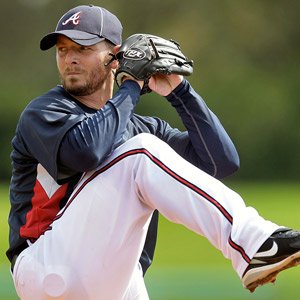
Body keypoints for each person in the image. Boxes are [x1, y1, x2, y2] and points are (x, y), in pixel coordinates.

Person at [7, 4, 300, 300]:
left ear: (115, 57)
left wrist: (180, 91)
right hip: (46, 265)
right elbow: (88, 151)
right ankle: (253, 242)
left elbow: (219, 162)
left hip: (114, 282)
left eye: (82, 48)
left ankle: (255, 245)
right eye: (62, 49)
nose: (69, 58)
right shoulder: (45, 112)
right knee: (142, 151)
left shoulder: (142, 127)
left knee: (145, 147)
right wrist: (131, 85)